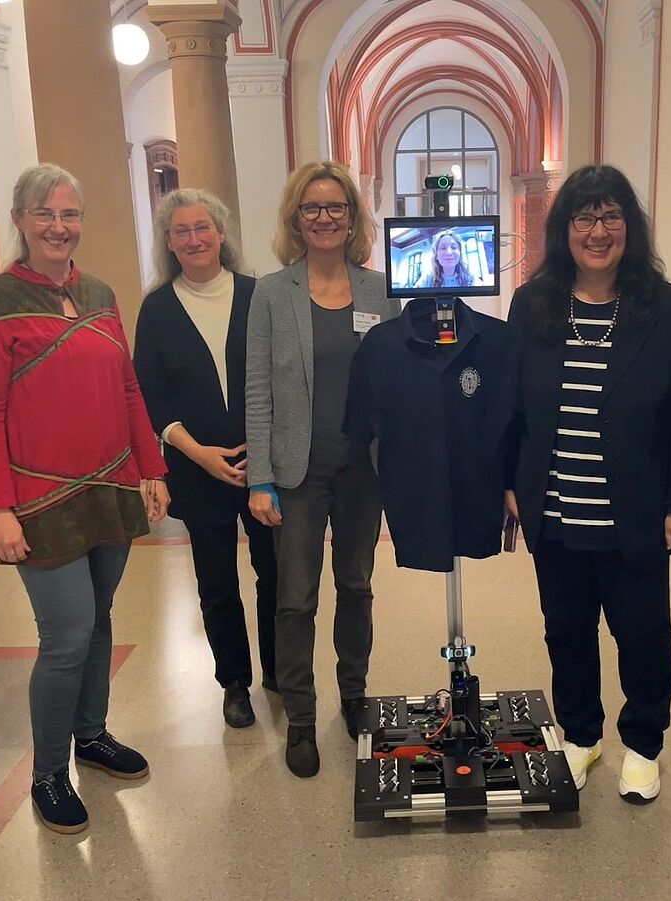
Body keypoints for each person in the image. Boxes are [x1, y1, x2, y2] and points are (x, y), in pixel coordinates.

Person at [0, 163, 169, 835]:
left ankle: (92, 734)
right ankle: (48, 772)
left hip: (109, 485)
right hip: (39, 498)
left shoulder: (100, 293)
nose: (59, 226)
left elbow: (128, 388)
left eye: (69, 214)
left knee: (99, 620)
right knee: (66, 634)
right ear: (20, 220)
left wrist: (152, 467)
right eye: (45, 213)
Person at [505, 164, 671, 802]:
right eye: (583, 218)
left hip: (636, 513)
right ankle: (582, 734)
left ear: (630, 226)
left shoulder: (670, 310)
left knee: (643, 636)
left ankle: (643, 742)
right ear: (563, 229)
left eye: (610, 216)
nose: (597, 231)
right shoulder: (533, 305)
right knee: (566, 631)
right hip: (556, 508)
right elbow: (512, 406)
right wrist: (511, 482)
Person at [244, 161, 400, 778]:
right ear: (295, 218)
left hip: (364, 470)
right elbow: (258, 389)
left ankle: (355, 697)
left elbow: (399, 385)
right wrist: (259, 477)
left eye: (336, 207)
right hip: (297, 473)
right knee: (295, 598)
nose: (324, 218)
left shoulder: (381, 292)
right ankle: (302, 720)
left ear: (353, 217)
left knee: (357, 587)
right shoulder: (271, 293)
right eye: (312, 208)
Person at [133, 188, 278, 730]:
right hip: (197, 470)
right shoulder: (156, 309)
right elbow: (151, 396)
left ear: (220, 234)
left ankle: (279, 672)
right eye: (181, 231)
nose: (193, 239)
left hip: (263, 467)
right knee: (217, 583)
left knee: (276, 574)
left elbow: (280, 377)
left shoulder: (258, 295)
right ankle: (234, 683)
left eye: (202, 228)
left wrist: (263, 451)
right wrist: (198, 454)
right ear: (169, 243)